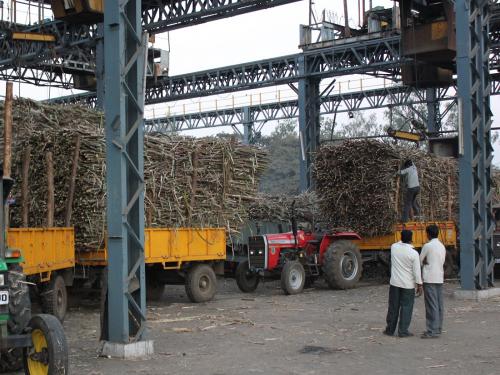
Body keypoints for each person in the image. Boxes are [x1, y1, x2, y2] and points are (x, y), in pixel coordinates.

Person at [384, 229, 423, 338]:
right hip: (408, 285)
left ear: (401, 237)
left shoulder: (394, 247)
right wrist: (419, 285)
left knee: (393, 307)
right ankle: (403, 331)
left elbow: (397, 243)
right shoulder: (414, 253)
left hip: (395, 283)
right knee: (406, 307)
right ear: (411, 239)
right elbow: (417, 272)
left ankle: (389, 329)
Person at [420, 224, 446, 339]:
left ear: (428, 234)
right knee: (439, 304)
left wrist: (425, 262)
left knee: (431, 305)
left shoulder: (427, 246)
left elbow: (420, 261)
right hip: (439, 277)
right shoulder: (442, 246)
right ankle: (438, 328)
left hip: (429, 278)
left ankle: (431, 330)